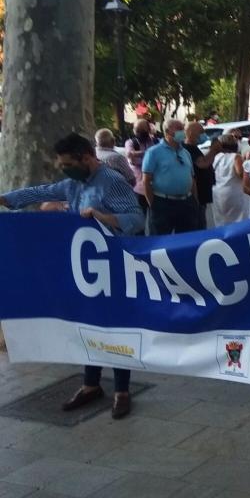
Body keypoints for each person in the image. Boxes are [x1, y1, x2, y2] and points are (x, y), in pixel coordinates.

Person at [0, 133, 143, 419]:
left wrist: (104, 217)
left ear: (87, 157)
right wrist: (5, 199)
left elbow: (136, 219)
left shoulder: (111, 182)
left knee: (114, 328)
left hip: (112, 266)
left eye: (68, 163)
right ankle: (91, 385)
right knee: (88, 326)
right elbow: (41, 192)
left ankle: (122, 391)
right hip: (85, 270)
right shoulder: (73, 184)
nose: (64, 168)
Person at [142, 119, 203, 234]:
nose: (183, 131)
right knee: (161, 242)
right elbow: (146, 181)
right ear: (167, 131)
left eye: (182, 128)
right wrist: (153, 205)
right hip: (163, 203)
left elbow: (192, 179)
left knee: (187, 240)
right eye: (179, 129)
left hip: (186, 203)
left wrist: (195, 201)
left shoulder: (185, 153)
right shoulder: (153, 152)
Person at [183, 121, 222, 228]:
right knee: (198, 226)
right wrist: (213, 150)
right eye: (201, 132)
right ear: (191, 133)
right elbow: (203, 164)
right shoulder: (188, 148)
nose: (203, 135)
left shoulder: (194, 148)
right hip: (196, 196)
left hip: (201, 196)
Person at [211, 134, 250, 225]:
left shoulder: (216, 157)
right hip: (233, 193)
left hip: (218, 193)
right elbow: (240, 173)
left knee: (221, 221)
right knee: (238, 222)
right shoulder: (235, 157)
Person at [125, 119, 156, 209]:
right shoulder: (131, 142)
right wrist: (149, 152)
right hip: (138, 187)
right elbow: (130, 154)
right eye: (138, 130)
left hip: (154, 186)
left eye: (144, 130)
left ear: (149, 129)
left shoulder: (154, 141)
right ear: (134, 131)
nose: (141, 133)